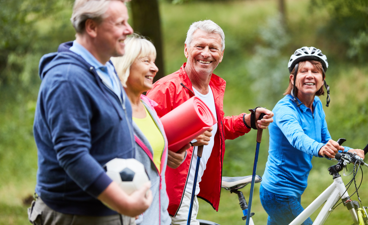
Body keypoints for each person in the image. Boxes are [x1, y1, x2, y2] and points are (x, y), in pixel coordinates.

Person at [29, 1, 152, 224]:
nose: (129, 29)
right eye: (120, 23)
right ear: (91, 27)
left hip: (109, 209)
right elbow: (73, 155)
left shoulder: (105, 67)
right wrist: (124, 204)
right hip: (78, 215)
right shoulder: (68, 79)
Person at [146, 20, 274, 225]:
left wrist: (248, 121)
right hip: (168, 193)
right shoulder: (166, 89)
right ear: (186, 50)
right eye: (200, 46)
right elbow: (142, 136)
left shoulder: (213, 89)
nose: (206, 53)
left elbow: (216, 128)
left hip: (190, 192)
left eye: (213, 48)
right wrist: (170, 148)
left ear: (221, 55)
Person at [260, 46, 365, 225]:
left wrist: (350, 150)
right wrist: (320, 148)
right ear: (293, 78)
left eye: (315, 71)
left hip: (294, 190)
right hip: (279, 192)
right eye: (304, 71)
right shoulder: (285, 109)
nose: (310, 75)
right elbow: (297, 138)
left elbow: (325, 140)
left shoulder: (316, 105)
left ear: (322, 79)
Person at [111, 34, 190, 225]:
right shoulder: (112, 111)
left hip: (158, 216)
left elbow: (153, 157)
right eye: (146, 61)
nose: (155, 68)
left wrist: (174, 153)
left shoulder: (149, 107)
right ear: (125, 63)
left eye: (154, 62)